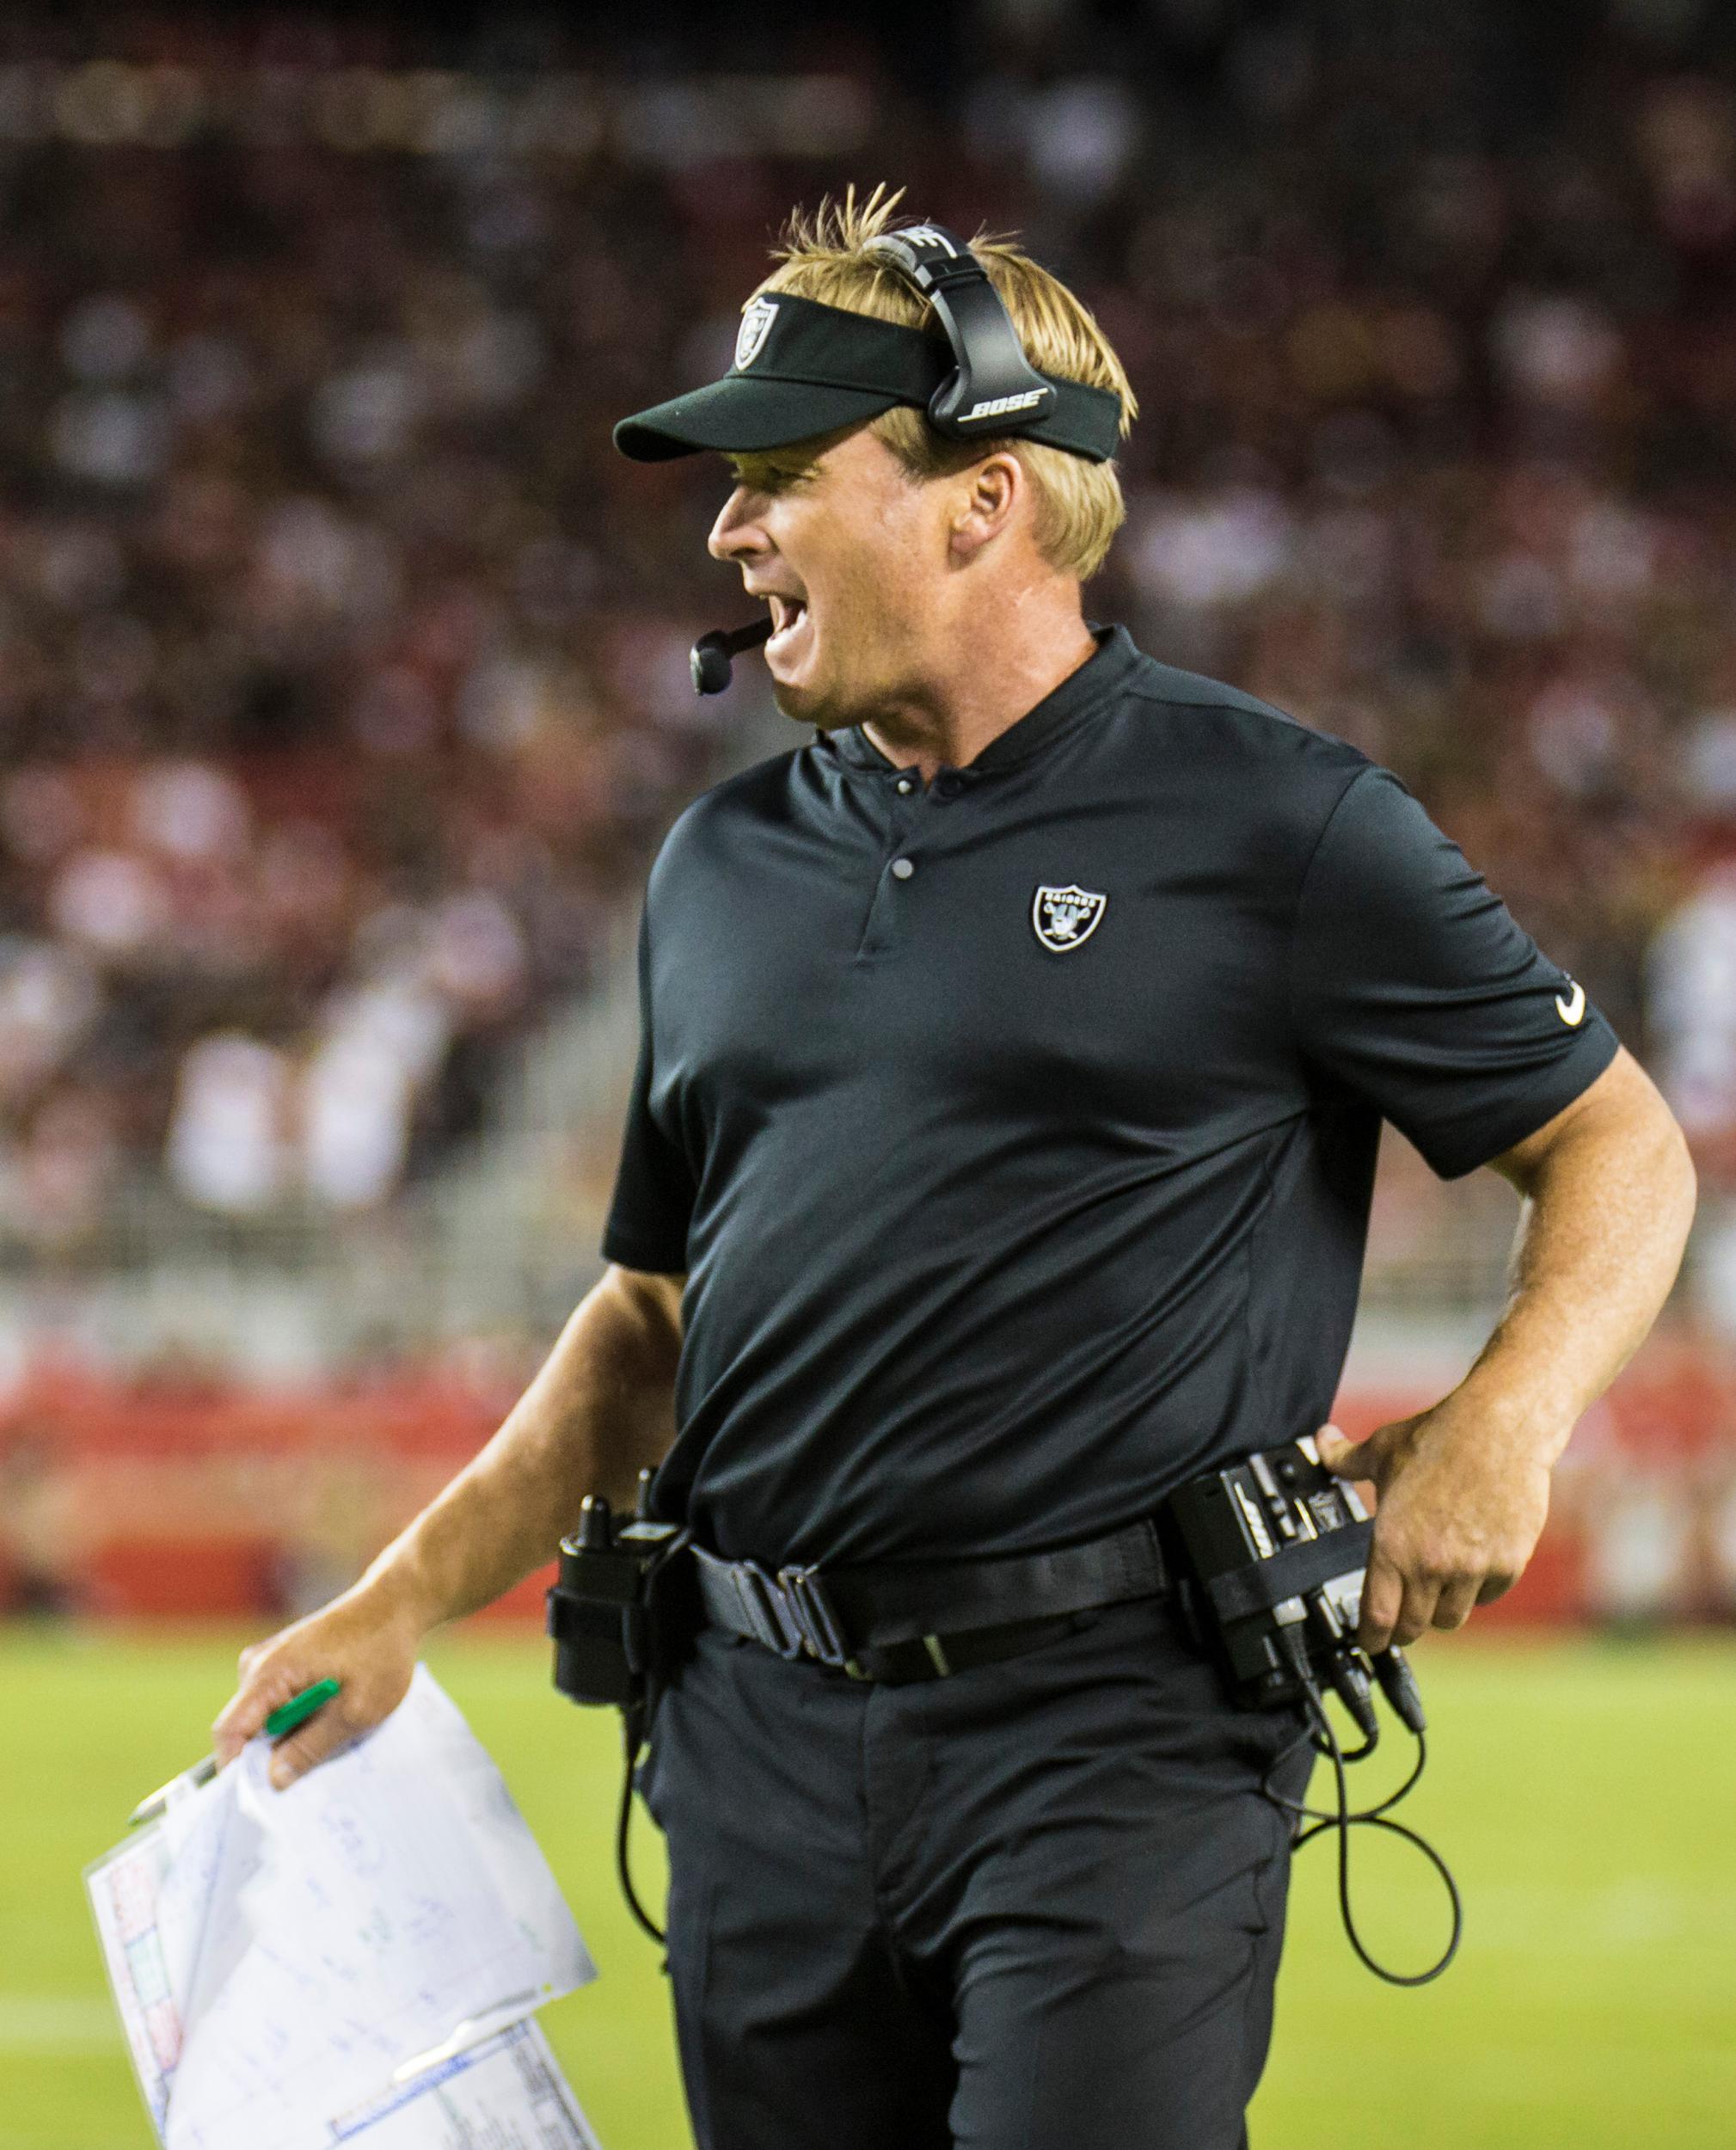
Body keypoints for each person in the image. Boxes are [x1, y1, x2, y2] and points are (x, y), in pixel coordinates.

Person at [215, 192, 1697, 2150]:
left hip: (1115, 1737)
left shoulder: (1276, 822)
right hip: (746, 1734)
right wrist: (394, 1601)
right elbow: (654, 1315)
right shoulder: (718, 863)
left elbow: (1612, 1138)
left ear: (978, 501)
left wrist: (1506, 1416)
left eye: (778, 475)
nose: (729, 530)